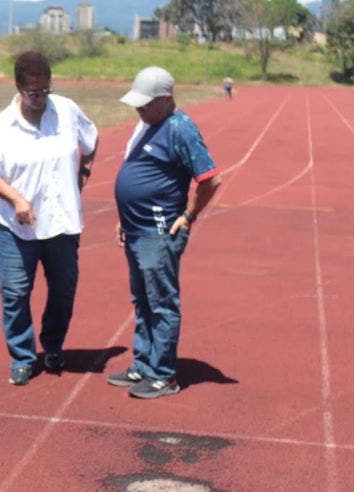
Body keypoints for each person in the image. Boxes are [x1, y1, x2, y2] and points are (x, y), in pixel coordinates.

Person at [0, 51, 99, 386]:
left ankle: (54, 345)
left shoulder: (66, 110)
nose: (41, 98)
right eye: (34, 93)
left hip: (61, 224)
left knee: (63, 290)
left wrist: (84, 170)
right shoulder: (4, 125)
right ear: (18, 87)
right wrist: (17, 199)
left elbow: (91, 139)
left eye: (45, 90)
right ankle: (22, 356)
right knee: (15, 292)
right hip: (18, 229)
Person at [108, 66, 222, 399]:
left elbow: (210, 179)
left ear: (167, 99)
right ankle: (143, 365)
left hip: (158, 232)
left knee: (160, 303)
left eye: (145, 103)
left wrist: (188, 216)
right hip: (136, 228)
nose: (138, 109)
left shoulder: (180, 129)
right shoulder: (149, 123)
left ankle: (164, 375)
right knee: (142, 301)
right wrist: (124, 218)